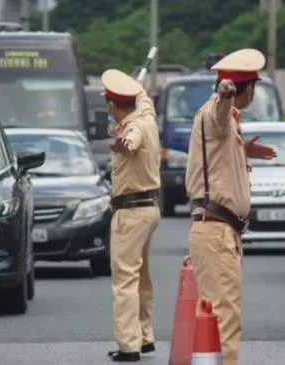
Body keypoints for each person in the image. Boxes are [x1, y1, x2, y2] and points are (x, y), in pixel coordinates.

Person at [185, 48, 277, 365]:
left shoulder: (229, 125)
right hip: (216, 230)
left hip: (220, 231)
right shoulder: (216, 113)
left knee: (216, 313)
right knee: (225, 314)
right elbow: (218, 114)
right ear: (248, 89)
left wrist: (245, 152)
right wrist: (225, 93)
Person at [101, 69, 161, 362]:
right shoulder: (147, 116)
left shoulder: (133, 127)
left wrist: (122, 142)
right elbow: (145, 102)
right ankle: (145, 336)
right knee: (141, 278)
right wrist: (139, 90)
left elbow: (131, 141)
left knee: (124, 279)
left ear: (112, 106)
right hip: (149, 209)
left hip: (131, 211)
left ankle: (129, 345)